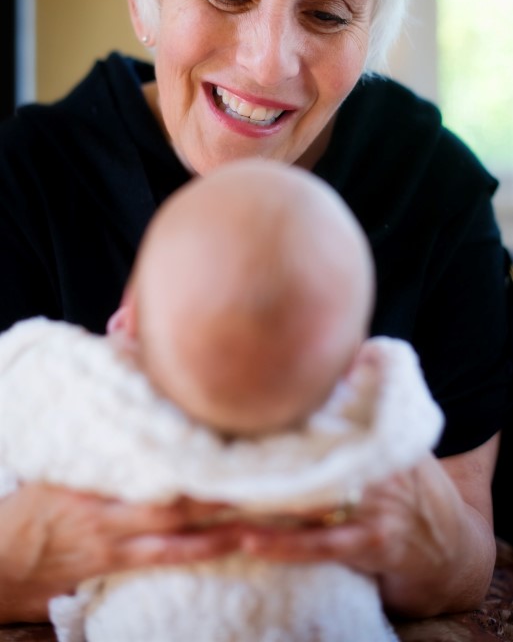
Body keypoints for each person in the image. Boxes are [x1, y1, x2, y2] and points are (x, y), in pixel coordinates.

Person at [0, 0, 511, 626]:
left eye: (327, 14)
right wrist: (29, 555)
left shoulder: (433, 190)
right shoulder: (24, 180)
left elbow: (468, 553)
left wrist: (415, 537)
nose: (270, 63)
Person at [0, 160, 444, 642]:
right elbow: (404, 412)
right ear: (355, 360)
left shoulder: (97, 401)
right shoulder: (361, 428)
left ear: (128, 322)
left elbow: (23, 373)